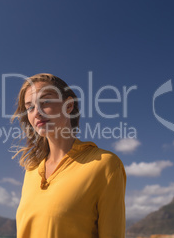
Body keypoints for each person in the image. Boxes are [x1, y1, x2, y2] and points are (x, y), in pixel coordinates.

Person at [11, 73, 126, 238]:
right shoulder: (32, 171)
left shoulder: (104, 164)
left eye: (46, 101)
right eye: (30, 107)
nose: (37, 112)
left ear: (69, 106)